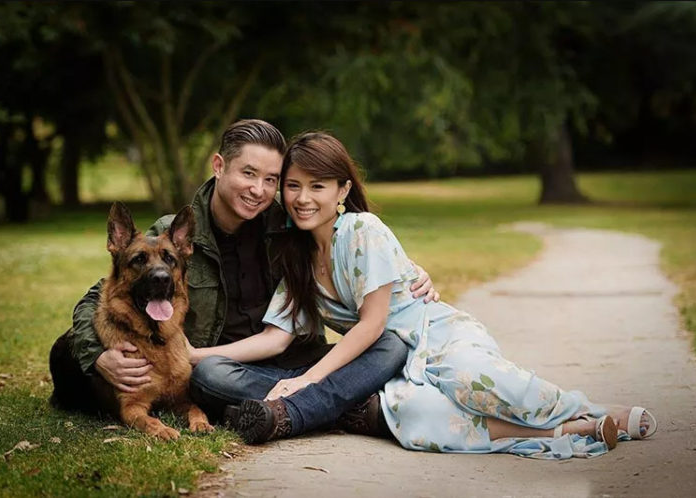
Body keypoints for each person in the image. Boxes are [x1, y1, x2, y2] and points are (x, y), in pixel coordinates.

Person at [226, 131, 658, 458]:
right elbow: (275, 337)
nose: (303, 198)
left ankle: (594, 410)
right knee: (419, 418)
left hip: (437, 336)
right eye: (294, 186)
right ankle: (569, 432)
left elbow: (375, 323)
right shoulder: (296, 262)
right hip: (393, 366)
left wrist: (305, 379)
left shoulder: (362, 230)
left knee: (474, 379)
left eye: (317, 186)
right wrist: (193, 356)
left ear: (342, 191)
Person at [49, 119, 439, 438]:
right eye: (248, 174)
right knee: (207, 375)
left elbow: (349, 238)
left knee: (388, 343)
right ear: (219, 166)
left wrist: (407, 271)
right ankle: (345, 407)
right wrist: (96, 356)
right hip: (229, 370)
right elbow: (97, 299)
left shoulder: (290, 224)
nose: (258, 190)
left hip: (298, 361)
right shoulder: (174, 236)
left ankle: (293, 410)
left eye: (271, 179)